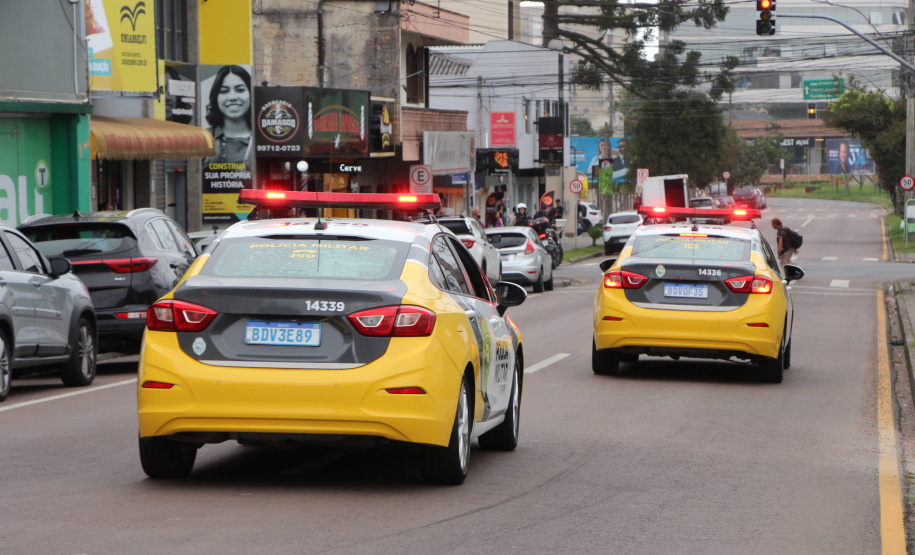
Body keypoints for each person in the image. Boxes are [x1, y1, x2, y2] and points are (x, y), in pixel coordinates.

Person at [203, 65, 253, 167]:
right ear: (216, 97)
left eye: (240, 90)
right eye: (224, 91)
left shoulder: (262, 138)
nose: (232, 97)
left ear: (251, 94)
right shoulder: (203, 139)